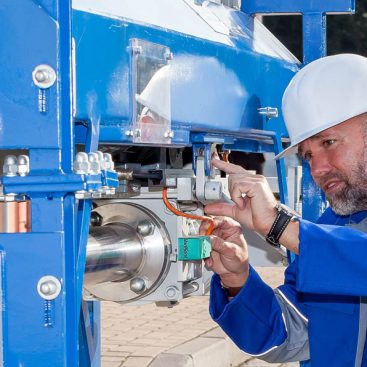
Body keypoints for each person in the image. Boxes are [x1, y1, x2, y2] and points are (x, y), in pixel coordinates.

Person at [200, 54, 367, 367]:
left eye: (329, 142)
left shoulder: (320, 240)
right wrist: (237, 280)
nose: (317, 168)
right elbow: (289, 336)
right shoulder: (335, 226)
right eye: (307, 155)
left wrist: (280, 226)